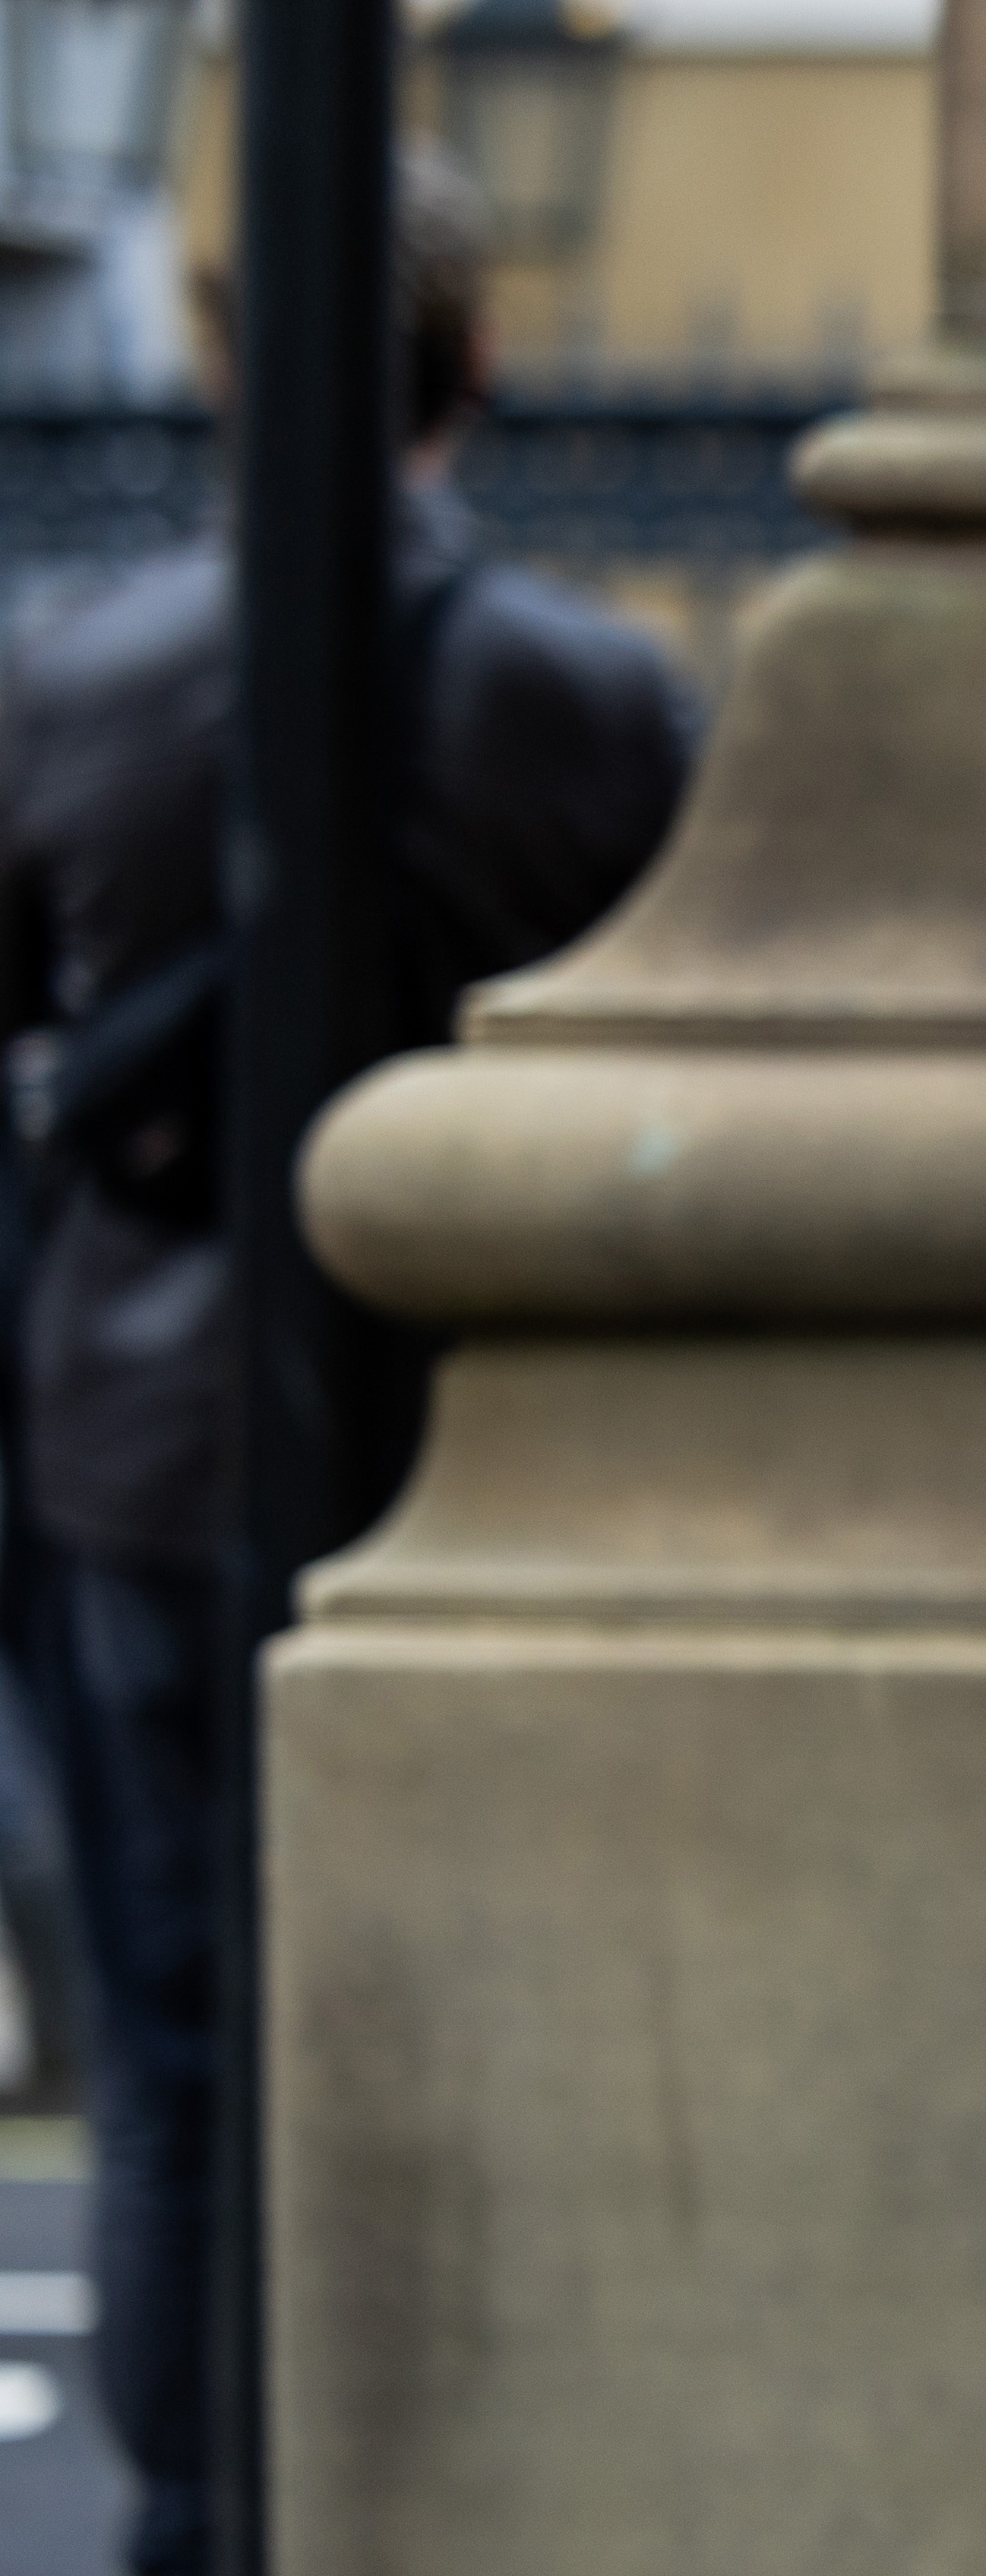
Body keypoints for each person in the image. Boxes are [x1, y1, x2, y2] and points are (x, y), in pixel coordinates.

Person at [0, 161, 693, 2573]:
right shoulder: (591, 695)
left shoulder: (70, 675)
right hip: (493, 1439)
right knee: (484, 2006)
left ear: (216, 363)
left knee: (176, 2038)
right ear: (475, 369)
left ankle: (200, 2507)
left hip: (136, 1434)